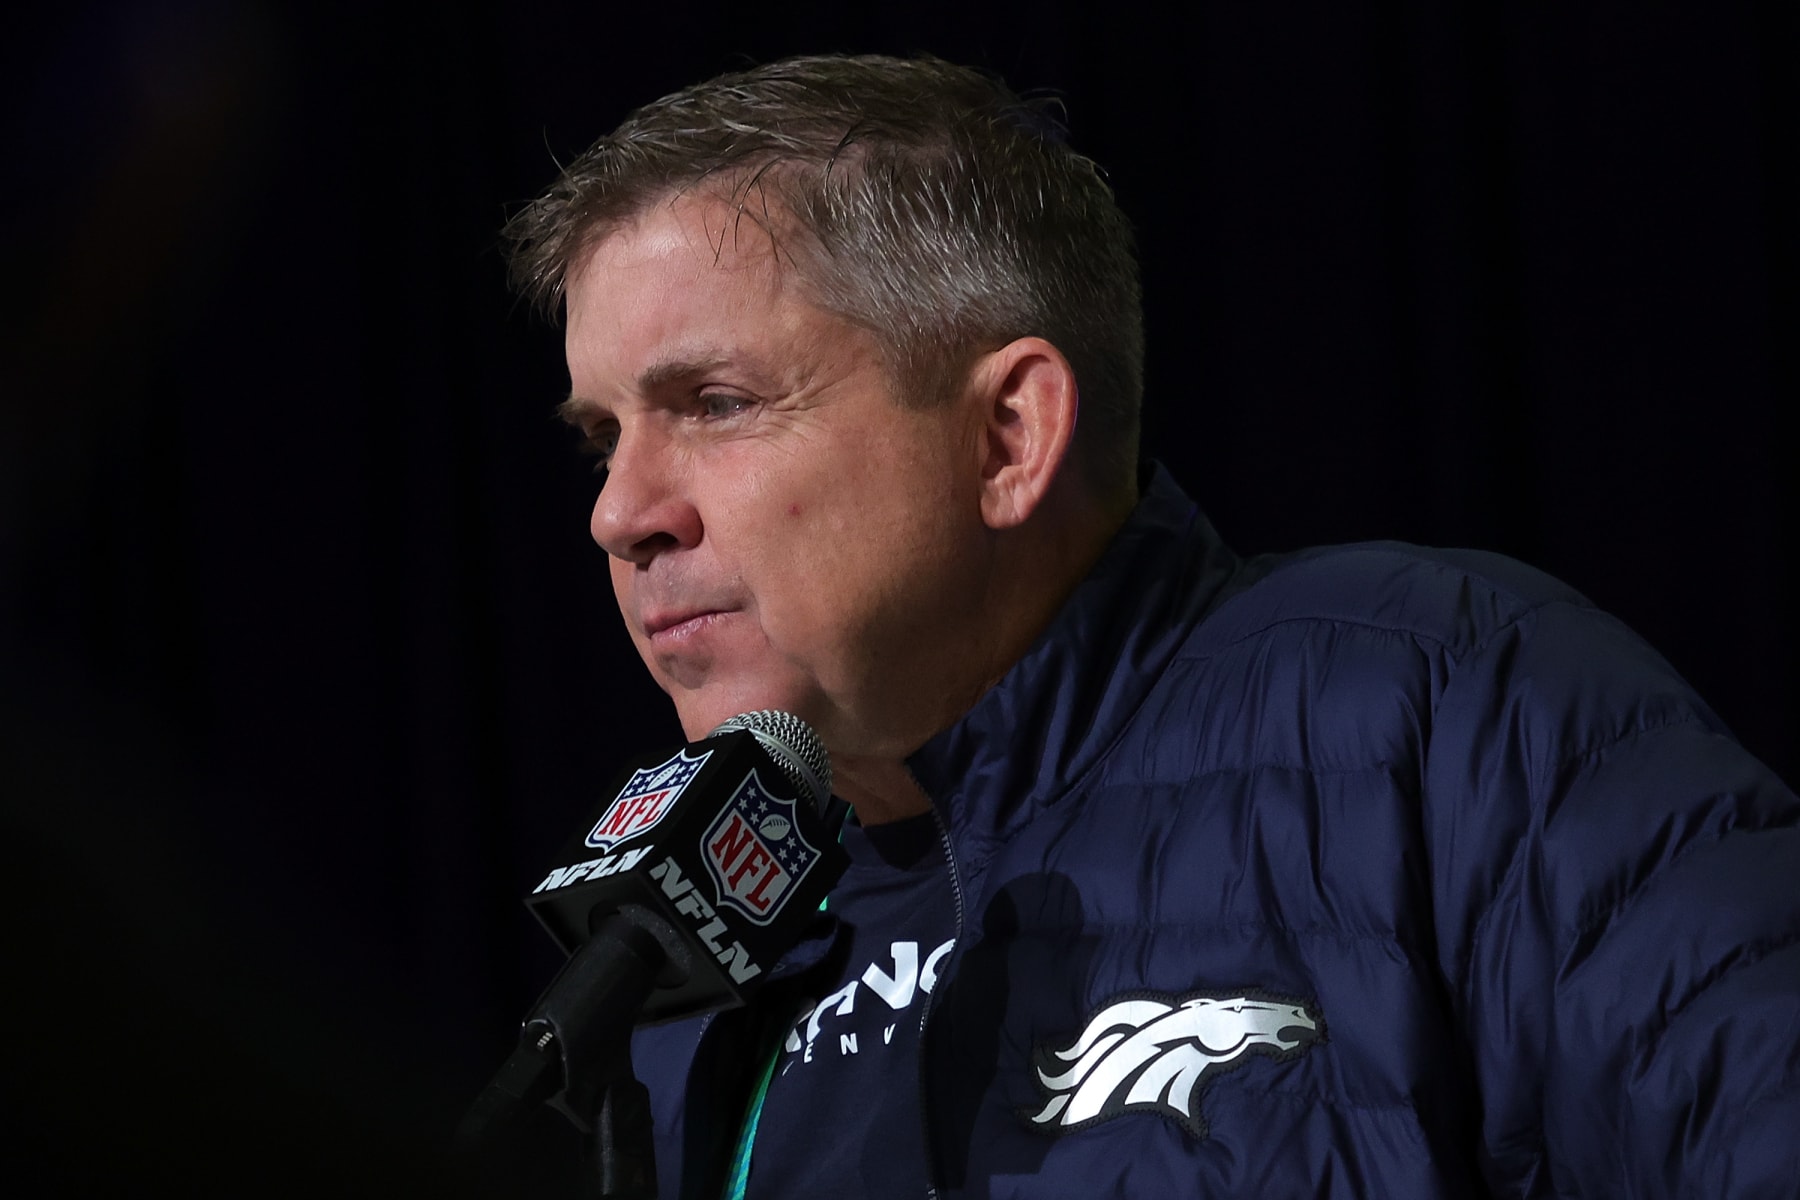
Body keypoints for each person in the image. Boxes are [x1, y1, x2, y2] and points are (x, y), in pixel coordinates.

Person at [501, 53, 1800, 1199]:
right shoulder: (676, 975)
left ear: (1009, 435)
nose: (621, 513)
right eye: (603, 439)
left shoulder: (1445, 704)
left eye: (716, 404)